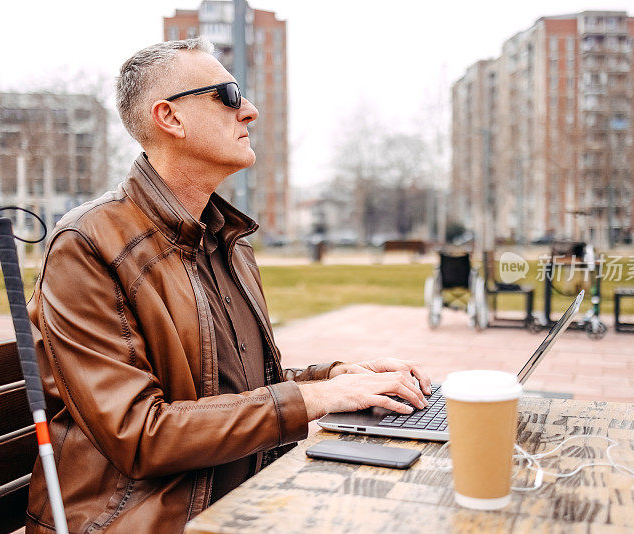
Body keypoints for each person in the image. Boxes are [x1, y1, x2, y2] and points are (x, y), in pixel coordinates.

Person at [25, 38, 431, 534]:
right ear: (170, 118)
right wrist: (319, 399)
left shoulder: (227, 240)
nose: (250, 111)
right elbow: (141, 436)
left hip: (243, 499)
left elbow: (241, 392)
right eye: (230, 95)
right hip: (139, 519)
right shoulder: (87, 244)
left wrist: (338, 379)